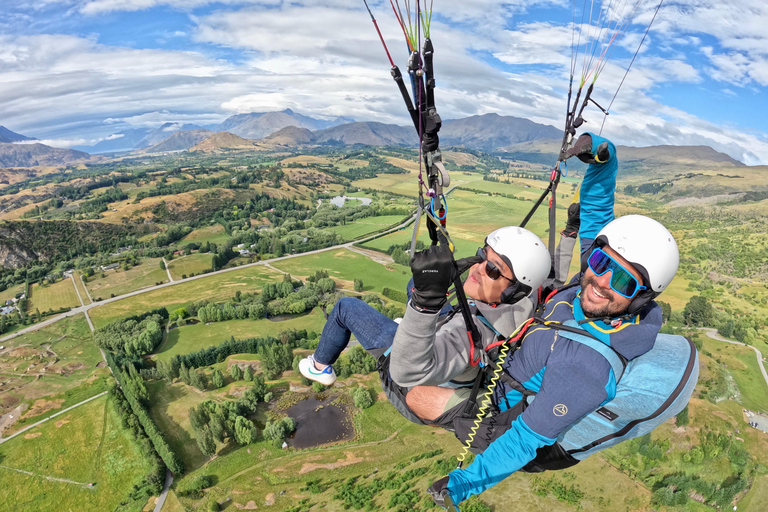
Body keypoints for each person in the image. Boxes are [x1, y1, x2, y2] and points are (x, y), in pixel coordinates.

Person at [404, 137, 681, 507]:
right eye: (599, 264)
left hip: (507, 412)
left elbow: (524, 440)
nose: (600, 282)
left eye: (623, 281)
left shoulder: (586, 367)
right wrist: (602, 157)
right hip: (517, 365)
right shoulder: (600, 284)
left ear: (643, 297)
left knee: (415, 395)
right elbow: (599, 207)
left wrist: (464, 484)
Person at [299, 225, 552, 425]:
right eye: (482, 255)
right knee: (414, 284)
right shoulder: (525, 302)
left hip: (412, 376)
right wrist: (569, 233)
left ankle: (319, 367)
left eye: (493, 270)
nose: (477, 268)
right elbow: (550, 274)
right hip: (453, 333)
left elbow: (406, 371)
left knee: (346, 308)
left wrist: (424, 305)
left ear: (513, 291)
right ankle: (417, 321)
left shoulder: (467, 337)